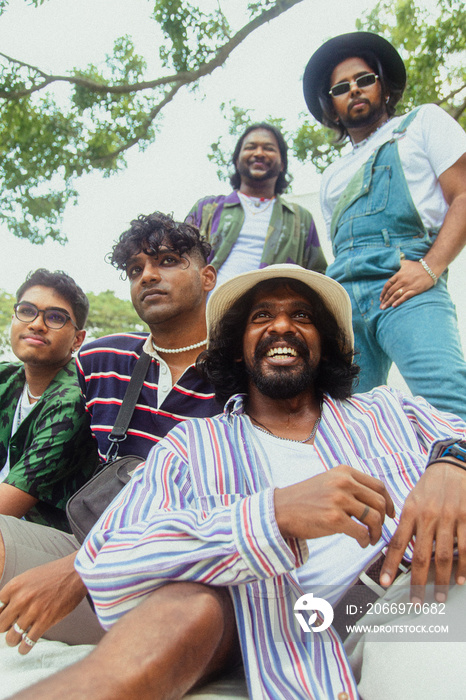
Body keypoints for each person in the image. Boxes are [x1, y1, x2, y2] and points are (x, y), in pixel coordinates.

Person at [32, 263, 463, 700]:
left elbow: (458, 437)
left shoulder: (388, 409)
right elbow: (111, 563)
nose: (281, 325)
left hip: (424, 593)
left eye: (302, 316)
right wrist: (270, 517)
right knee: (179, 610)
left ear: (325, 346)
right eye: (261, 317)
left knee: (430, 664)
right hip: (274, 638)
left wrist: (451, 465)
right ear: (238, 349)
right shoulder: (190, 446)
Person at [0, 213, 224, 655]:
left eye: (168, 260)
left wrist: (82, 569)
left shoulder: (242, 372)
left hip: (179, 568)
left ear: (207, 276)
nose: (149, 276)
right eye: (136, 269)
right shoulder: (103, 358)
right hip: (87, 539)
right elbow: (41, 374)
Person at [303, 31, 466, 419]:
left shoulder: (420, 123)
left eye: (364, 79)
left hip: (404, 283)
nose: (355, 90)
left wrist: (430, 268)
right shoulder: (331, 177)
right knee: (347, 418)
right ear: (331, 104)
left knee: (448, 399)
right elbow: (341, 246)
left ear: (383, 86)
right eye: (341, 87)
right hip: (342, 301)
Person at [0, 268, 98, 531]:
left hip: (46, 536)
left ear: (78, 339)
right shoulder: (5, 378)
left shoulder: (76, 398)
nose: (37, 324)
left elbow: (7, 507)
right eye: (27, 310)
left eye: (55, 317)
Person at [186, 122, 327, 286]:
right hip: (206, 309)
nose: (259, 153)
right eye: (250, 147)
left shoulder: (300, 219)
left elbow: (318, 277)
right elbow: (179, 263)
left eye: (269, 148)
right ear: (237, 161)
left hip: (272, 310)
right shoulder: (207, 209)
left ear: (282, 164)